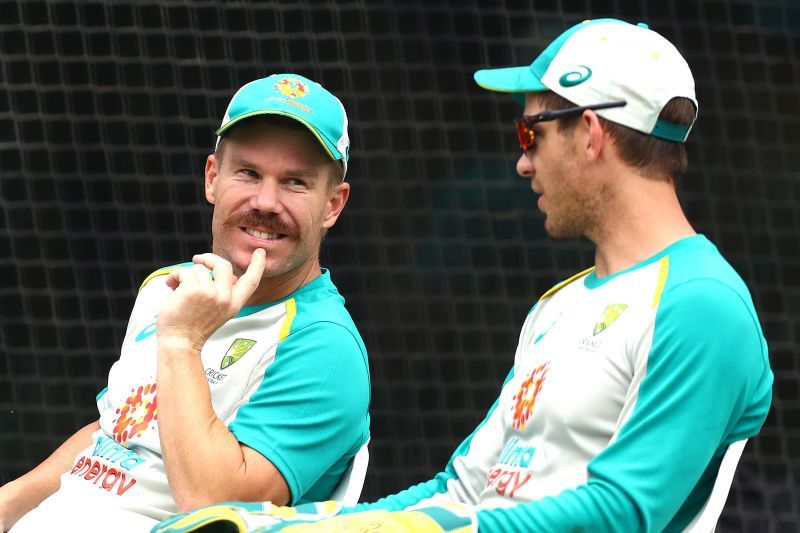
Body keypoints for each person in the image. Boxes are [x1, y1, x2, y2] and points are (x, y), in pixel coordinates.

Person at [152, 18, 774, 533]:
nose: (521, 161)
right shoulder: (557, 307)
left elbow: (626, 511)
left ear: (589, 133)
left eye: (530, 130)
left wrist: (429, 530)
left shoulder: (701, 303)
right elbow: (463, 487)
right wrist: (290, 527)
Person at [0, 73, 370, 532]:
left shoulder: (324, 346)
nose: (266, 201)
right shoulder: (167, 288)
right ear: (213, 178)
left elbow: (211, 510)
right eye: (248, 173)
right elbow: (115, 437)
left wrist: (182, 342)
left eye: (294, 182)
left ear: (333, 205)